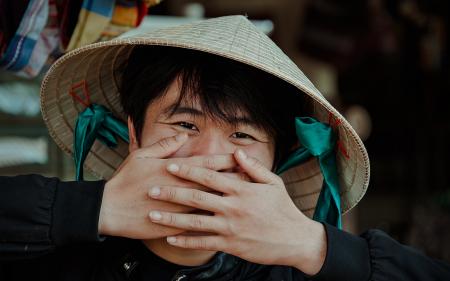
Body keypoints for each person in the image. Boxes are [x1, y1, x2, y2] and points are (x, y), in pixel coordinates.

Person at [1, 15, 450, 281]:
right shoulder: (61, 257)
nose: (208, 162)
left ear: (278, 160)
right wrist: (93, 209)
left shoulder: (296, 268)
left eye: (242, 136)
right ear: (134, 136)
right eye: (183, 125)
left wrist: (312, 245)